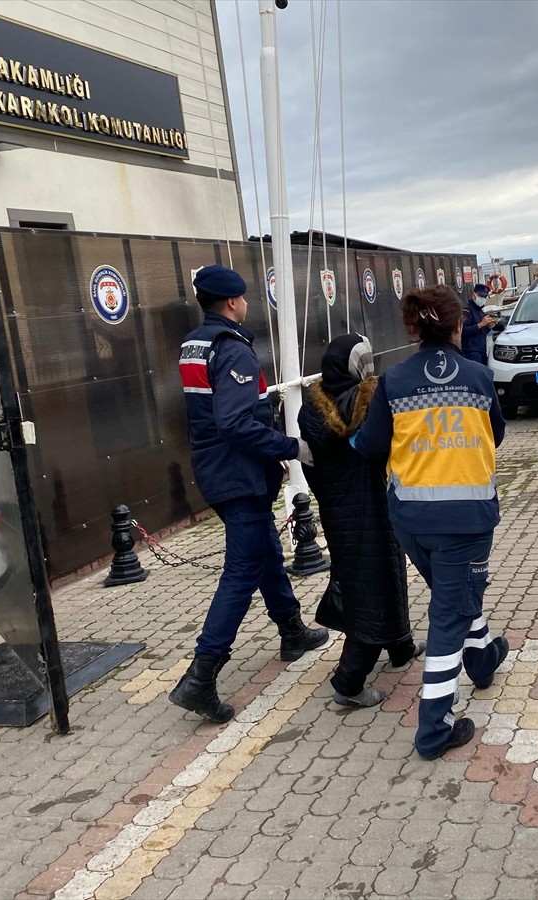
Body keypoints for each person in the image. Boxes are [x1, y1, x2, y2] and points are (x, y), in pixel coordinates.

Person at [351, 285, 510, 760]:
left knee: (453, 595)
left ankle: (482, 661)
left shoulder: (393, 381)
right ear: (459, 325)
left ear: (414, 328)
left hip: (412, 522)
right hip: (466, 521)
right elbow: (495, 435)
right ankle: (434, 729)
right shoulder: (479, 377)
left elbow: (369, 445)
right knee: (448, 618)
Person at [170, 264, 329, 723]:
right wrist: (291, 447)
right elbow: (236, 422)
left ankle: (292, 631)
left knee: (263, 553)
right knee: (242, 571)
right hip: (239, 475)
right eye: (243, 298)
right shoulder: (232, 349)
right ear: (233, 302)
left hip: (216, 470)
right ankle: (201, 676)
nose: (245, 304)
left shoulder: (195, 343)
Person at [298, 333, 425, 708]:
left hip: (338, 512)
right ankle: (349, 683)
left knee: (371, 579)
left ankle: (400, 645)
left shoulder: (311, 408)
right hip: (372, 506)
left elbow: (315, 467)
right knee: (374, 591)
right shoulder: (370, 403)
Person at [460, 283, 497, 364]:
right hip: (471, 352)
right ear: (474, 294)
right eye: (481, 296)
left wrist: (488, 327)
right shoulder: (466, 310)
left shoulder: (480, 311)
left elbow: (481, 331)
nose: (483, 299)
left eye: (485, 297)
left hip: (482, 350)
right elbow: (463, 331)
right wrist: (481, 324)